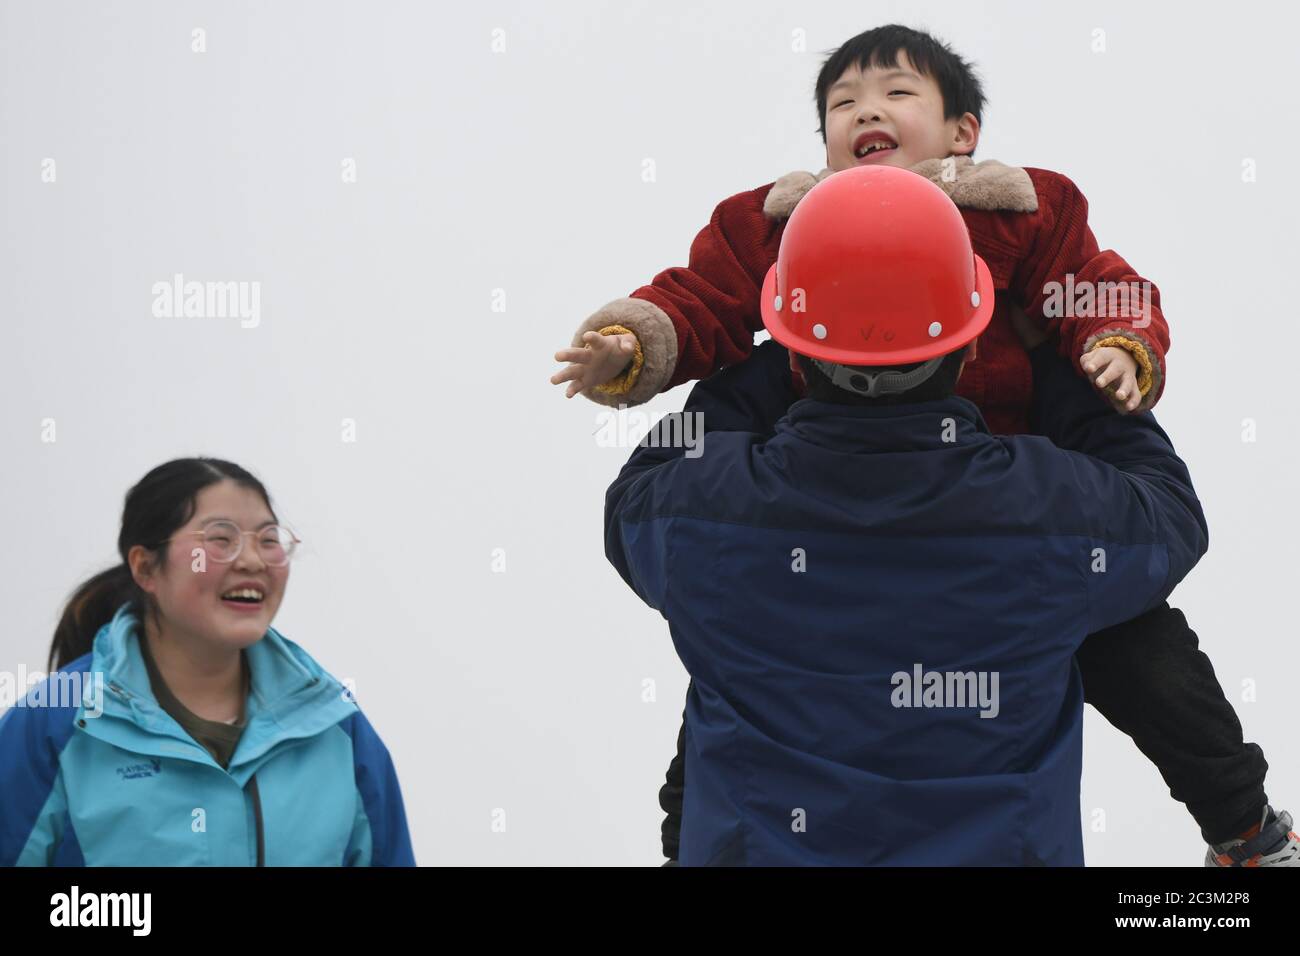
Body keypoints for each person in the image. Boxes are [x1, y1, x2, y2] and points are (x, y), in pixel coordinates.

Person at [565, 24, 1291, 867]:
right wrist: (634, 339)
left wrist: (1118, 346)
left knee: (1151, 666)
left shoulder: (1020, 208)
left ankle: (1246, 828)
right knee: (730, 697)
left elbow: (1101, 284)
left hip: (969, 517)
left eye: (897, 94)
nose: (865, 111)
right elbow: (704, 296)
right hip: (1028, 539)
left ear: (963, 132)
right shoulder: (781, 222)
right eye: (841, 105)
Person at [0, 458, 415, 866]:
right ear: (146, 567)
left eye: (268, 539)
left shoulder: (332, 724)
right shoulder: (57, 720)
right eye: (221, 539)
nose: (252, 560)